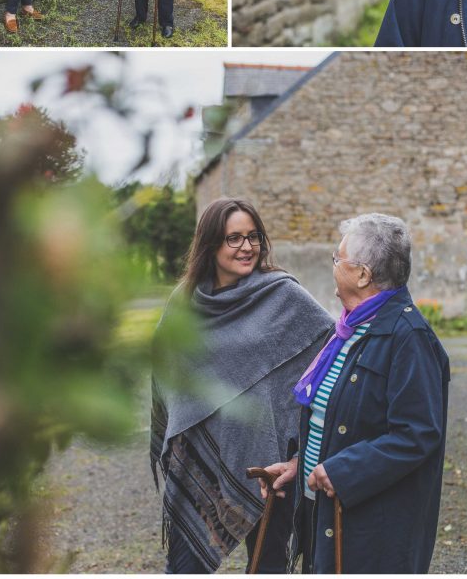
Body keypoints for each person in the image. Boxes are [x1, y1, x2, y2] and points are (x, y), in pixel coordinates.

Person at [150, 198, 333, 573]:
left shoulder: (283, 296)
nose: (246, 247)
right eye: (233, 238)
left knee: (267, 566)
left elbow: (327, 354)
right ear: (210, 244)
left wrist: (300, 444)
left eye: (253, 237)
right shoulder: (184, 303)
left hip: (270, 461)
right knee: (184, 567)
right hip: (198, 461)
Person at [260, 214, 450, 573]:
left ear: (362, 274)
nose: (333, 266)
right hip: (328, 514)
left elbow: (417, 433)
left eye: (338, 259)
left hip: (369, 530)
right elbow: (339, 418)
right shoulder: (351, 330)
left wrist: (344, 471)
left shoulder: (409, 337)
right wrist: (299, 465)